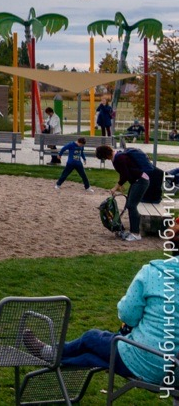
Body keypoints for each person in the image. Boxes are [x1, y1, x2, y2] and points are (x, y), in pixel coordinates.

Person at [21, 256, 179, 385]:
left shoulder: (153, 273)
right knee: (93, 357)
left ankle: (51, 353)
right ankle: (53, 356)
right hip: (175, 374)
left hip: (148, 363)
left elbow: (127, 315)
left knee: (92, 338)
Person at [97, 144, 155, 242]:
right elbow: (124, 172)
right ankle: (134, 231)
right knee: (130, 205)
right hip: (137, 181)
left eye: (103, 158)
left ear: (105, 155)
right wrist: (120, 185)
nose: (105, 159)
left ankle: (136, 233)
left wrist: (116, 187)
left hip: (141, 181)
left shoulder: (119, 158)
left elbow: (125, 174)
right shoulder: (117, 157)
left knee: (132, 206)